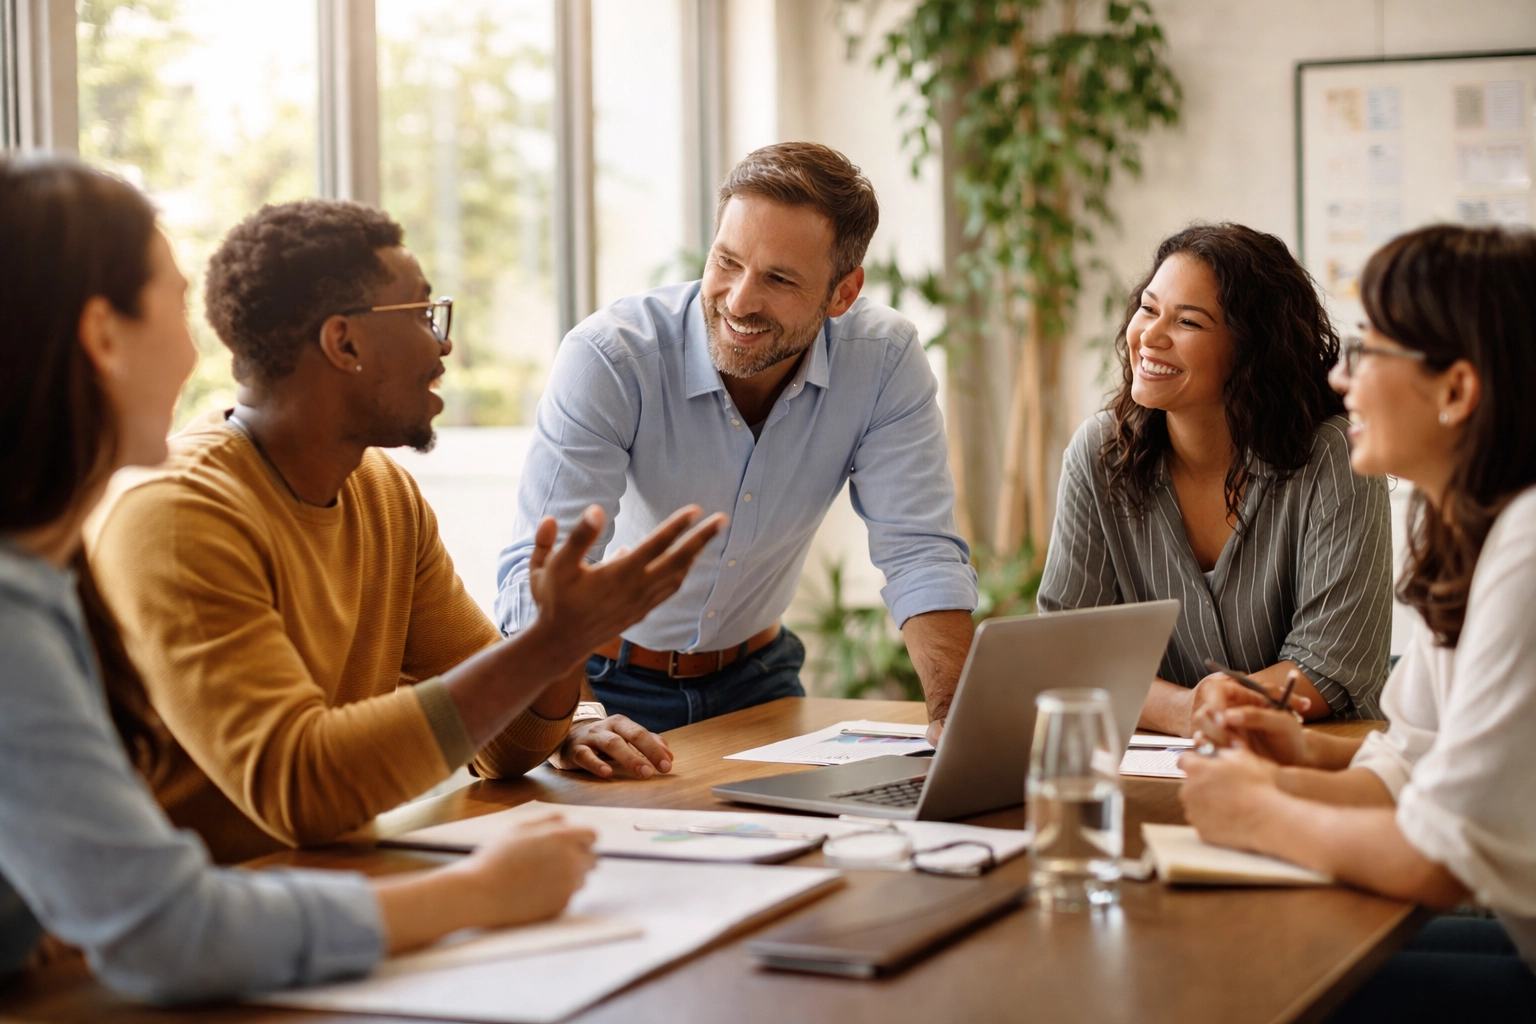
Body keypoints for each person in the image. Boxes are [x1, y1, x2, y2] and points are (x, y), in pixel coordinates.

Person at [0, 156, 615, 1003]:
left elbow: (506, 740)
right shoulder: (120, 544)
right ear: (104, 336)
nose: (196, 349)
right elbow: (177, 921)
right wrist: (479, 895)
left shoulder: (40, 565)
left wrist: (555, 653)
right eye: (173, 304)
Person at [84, 198, 725, 864]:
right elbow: (300, 789)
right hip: (198, 927)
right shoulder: (176, 516)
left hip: (327, 888)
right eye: (422, 314)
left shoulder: (381, 492)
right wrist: (551, 643)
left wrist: (560, 644)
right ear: (346, 342)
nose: (444, 344)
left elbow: (508, 746)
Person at [495, 142, 978, 773]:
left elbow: (919, 548)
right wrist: (575, 717)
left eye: (779, 279)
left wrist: (955, 714)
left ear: (843, 293)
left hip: (760, 680)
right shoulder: (612, 358)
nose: (739, 300)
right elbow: (539, 577)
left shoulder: (883, 361)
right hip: (600, 685)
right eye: (727, 261)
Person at [1178, 224, 1536, 1021]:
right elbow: (1415, 767)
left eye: (1368, 351)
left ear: (1456, 391)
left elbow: (1438, 858)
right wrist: (1293, 759)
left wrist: (1262, 811)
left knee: (1250, 975)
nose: (1341, 379)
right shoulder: (1464, 528)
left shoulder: (1528, 546)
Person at [1037, 223, 1393, 736]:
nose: (1151, 337)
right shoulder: (1098, 454)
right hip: (1157, 762)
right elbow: (1066, 652)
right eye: (1148, 308)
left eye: (1189, 322)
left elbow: (1324, 670)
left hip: (1319, 765)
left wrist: (1180, 707)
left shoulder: (1335, 456)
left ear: (1252, 351)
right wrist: (1185, 712)